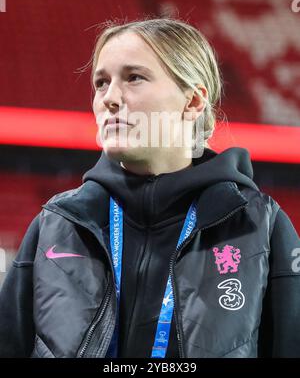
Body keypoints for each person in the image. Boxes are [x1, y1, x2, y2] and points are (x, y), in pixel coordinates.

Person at [0, 18, 299, 358]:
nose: (109, 98)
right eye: (101, 83)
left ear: (193, 101)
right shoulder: (57, 225)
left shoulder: (258, 226)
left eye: (134, 78)